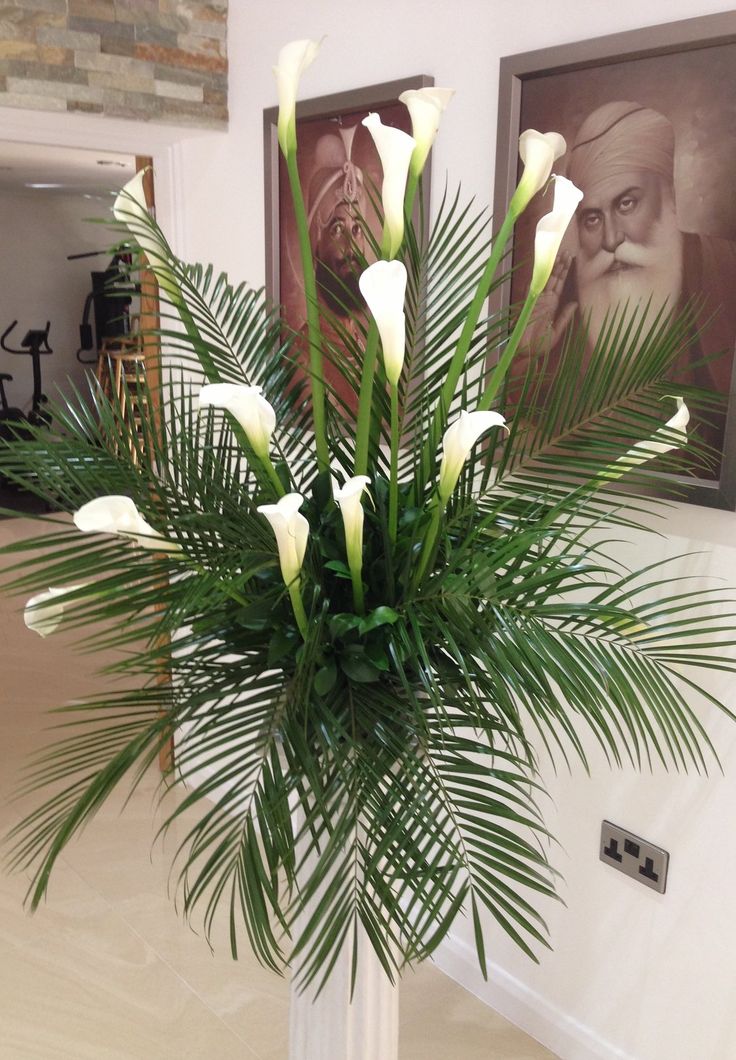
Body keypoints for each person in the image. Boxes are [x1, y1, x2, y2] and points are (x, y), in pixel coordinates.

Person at [521, 101, 736, 452]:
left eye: (626, 205)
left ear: (670, 199)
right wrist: (526, 359)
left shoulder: (724, 268)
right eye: (592, 218)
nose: (610, 239)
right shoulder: (564, 295)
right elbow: (517, 440)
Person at [297, 124, 370, 413]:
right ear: (316, 241)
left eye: (357, 229)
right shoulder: (302, 356)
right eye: (338, 229)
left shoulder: (362, 344)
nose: (352, 249)